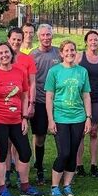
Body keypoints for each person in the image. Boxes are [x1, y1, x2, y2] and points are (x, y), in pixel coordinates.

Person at [0, 41, 43, 196]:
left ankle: (25, 186)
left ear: (11, 54)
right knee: (2, 154)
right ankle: (2, 189)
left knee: (25, 152)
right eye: (0, 53)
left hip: (17, 120)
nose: (4, 55)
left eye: (6, 52)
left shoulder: (19, 72)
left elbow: (24, 95)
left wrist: (24, 117)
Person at [46, 40, 92, 196]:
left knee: (73, 153)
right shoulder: (54, 71)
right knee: (64, 152)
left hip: (78, 117)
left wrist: (88, 117)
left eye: (72, 50)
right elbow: (49, 97)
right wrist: (50, 120)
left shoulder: (82, 71)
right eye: (66, 50)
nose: (70, 53)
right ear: (61, 53)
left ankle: (67, 186)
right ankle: (54, 186)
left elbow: (86, 95)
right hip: (60, 117)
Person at [4, 26, 37, 187]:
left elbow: (32, 84)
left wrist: (31, 104)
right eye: (14, 39)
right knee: (6, 141)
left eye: (19, 39)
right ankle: (6, 174)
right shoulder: (1, 57)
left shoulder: (27, 59)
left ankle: (19, 173)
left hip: (22, 106)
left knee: (19, 140)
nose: (16, 42)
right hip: (4, 106)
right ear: (8, 40)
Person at [30, 24, 62, 184]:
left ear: (52, 36)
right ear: (38, 37)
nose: (46, 38)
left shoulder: (59, 53)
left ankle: (62, 167)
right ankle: (39, 168)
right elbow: (30, 82)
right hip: (40, 102)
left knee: (61, 136)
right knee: (40, 137)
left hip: (60, 103)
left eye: (48, 35)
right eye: (43, 35)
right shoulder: (32, 55)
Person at [75, 30, 98, 177]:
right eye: (90, 40)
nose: (93, 42)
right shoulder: (79, 57)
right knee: (80, 133)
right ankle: (79, 165)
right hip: (80, 99)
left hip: (97, 99)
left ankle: (94, 165)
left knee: (94, 131)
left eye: (96, 40)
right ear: (86, 42)